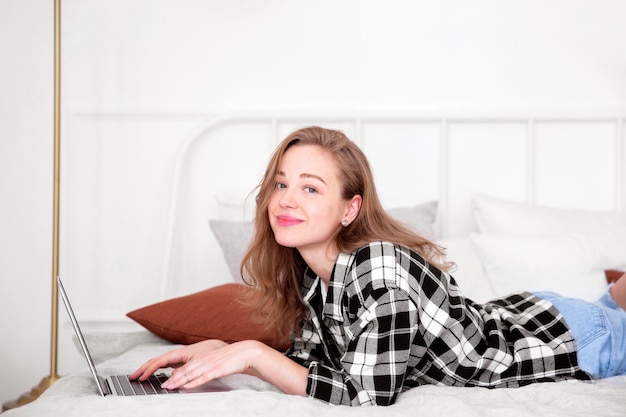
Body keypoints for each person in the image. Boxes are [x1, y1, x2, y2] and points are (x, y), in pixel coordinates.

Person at [131, 126, 626, 406]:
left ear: (349, 209)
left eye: (310, 188)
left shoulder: (379, 268)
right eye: (281, 184)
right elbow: (324, 365)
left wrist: (254, 356)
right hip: (529, 311)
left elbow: (366, 395)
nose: (286, 200)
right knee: (612, 298)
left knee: (611, 312)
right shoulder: (313, 275)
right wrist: (232, 347)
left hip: (571, 341)